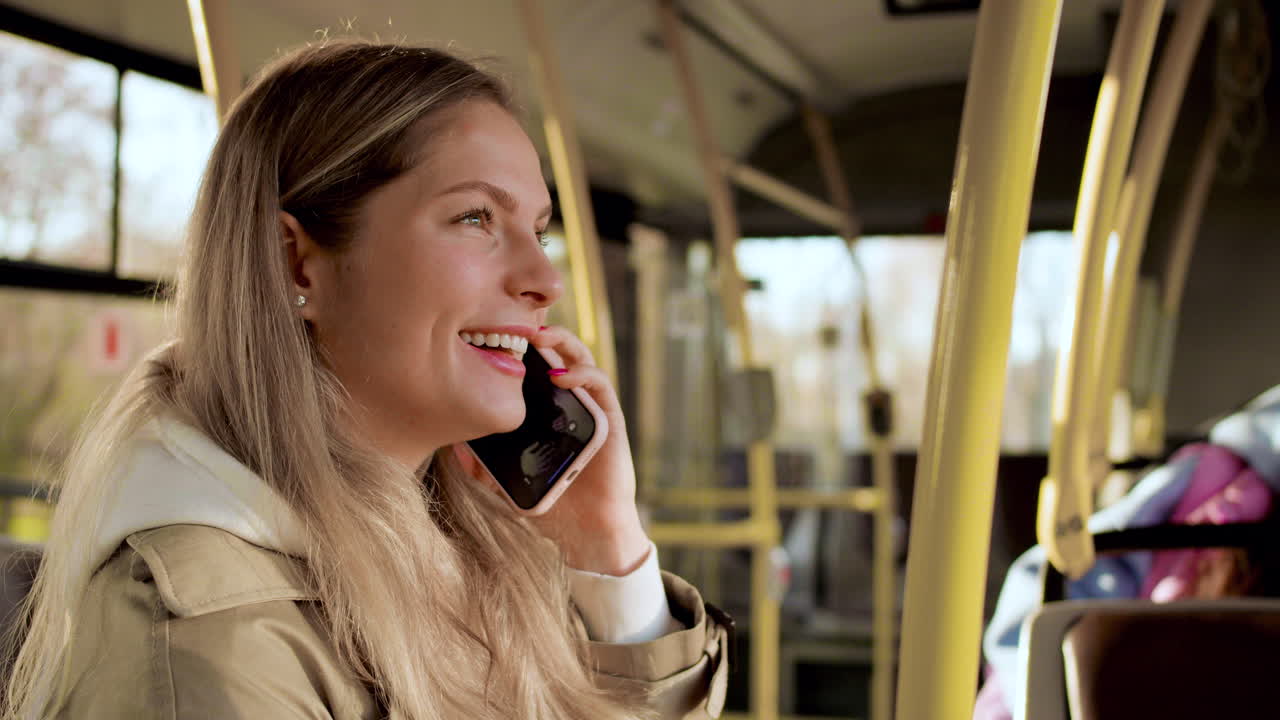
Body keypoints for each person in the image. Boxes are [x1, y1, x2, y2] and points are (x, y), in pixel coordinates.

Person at [3, 40, 729, 720]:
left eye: (539, 232)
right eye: (476, 217)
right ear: (295, 263)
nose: (545, 279)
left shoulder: (475, 548)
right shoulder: (208, 649)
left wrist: (606, 545)